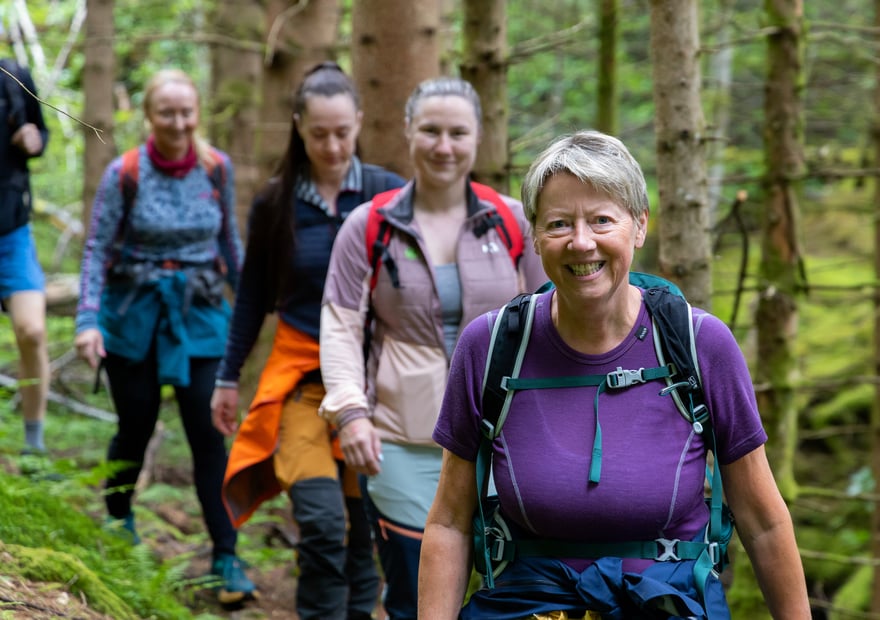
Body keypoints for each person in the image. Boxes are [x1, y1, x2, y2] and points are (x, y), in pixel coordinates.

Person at [419, 130, 811, 619]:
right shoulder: (492, 346)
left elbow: (763, 521)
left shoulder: (699, 344)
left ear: (639, 226)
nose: (581, 242)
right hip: (528, 603)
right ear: (535, 235)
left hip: (665, 602)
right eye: (559, 223)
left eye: (602, 220)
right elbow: (450, 522)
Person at [318, 76, 548, 620]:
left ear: (478, 136)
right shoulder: (369, 225)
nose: (444, 146)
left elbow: (552, 320)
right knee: (415, 598)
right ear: (408, 131)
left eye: (457, 133)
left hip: (506, 442)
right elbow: (340, 326)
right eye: (431, 131)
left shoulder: (514, 222)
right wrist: (350, 412)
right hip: (401, 443)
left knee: (509, 596)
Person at [211, 62, 405, 620]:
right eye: (320, 133)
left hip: (373, 386)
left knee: (365, 528)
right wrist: (228, 377)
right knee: (320, 522)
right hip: (300, 380)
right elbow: (252, 296)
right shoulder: (275, 203)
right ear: (299, 126)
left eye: (342, 132)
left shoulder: (389, 194)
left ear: (359, 122)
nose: (333, 145)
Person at [73, 68, 256, 605]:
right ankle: (118, 520)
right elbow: (97, 249)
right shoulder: (124, 172)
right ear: (149, 116)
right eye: (167, 112)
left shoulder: (216, 168)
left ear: (197, 113)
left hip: (201, 315)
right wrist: (87, 320)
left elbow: (230, 244)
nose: (178, 122)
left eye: (186, 112)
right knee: (135, 426)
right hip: (135, 315)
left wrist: (250, 308)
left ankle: (226, 554)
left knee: (208, 432)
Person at [0, 51, 50, 463]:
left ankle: (34, 446)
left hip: (13, 229)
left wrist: (34, 140)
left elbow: (41, 132)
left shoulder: (14, 76)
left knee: (31, 331)